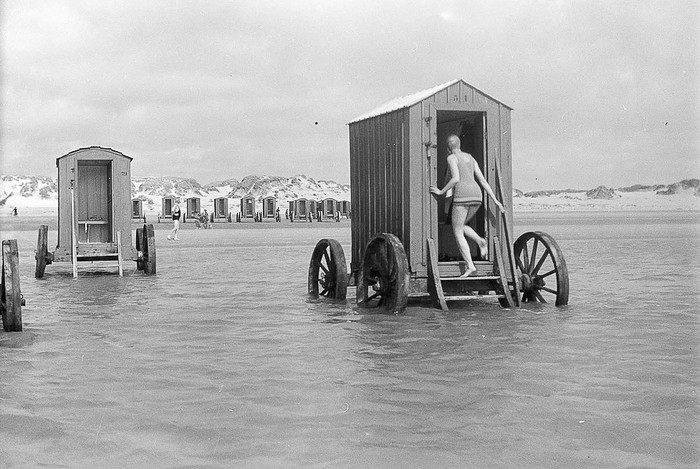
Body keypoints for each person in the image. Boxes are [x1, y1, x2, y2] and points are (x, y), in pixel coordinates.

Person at [429, 134, 504, 277]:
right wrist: (495, 200)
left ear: (448, 148)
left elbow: (456, 179)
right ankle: (480, 241)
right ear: (459, 144)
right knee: (461, 226)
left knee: (457, 232)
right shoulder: (470, 157)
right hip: (477, 195)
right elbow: (482, 180)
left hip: (462, 195)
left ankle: (470, 265)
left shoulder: (451, 158)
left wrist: (440, 191)